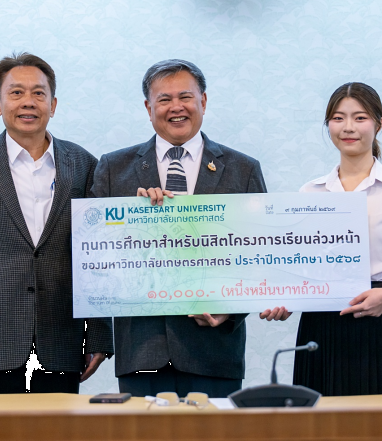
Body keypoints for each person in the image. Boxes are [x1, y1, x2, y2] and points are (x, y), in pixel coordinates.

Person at [90, 59, 267, 398]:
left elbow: (259, 254)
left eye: (185, 97)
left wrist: (230, 309)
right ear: (149, 108)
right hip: (142, 350)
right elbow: (94, 254)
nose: (176, 107)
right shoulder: (114, 168)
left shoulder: (243, 169)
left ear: (203, 101)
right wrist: (133, 222)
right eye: (164, 99)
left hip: (215, 351)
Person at [0, 52, 113, 394]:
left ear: (53, 104)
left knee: (59, 426)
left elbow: (96, 257)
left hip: (63, 335)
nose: (28, 102)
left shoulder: (84, 164)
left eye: (38, 93)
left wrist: (98, 335)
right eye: (16, 92)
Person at [261, 82, 382, 396]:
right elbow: (301, 266)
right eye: (338, 118)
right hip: (319, 325)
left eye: (360, 118)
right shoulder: (309, 193)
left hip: (379, 319)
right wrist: (287, 300)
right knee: (319, 419)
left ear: (379, 124)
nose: (348, 127)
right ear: (328, 124)